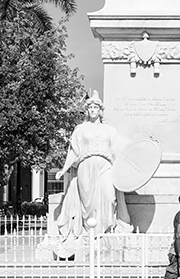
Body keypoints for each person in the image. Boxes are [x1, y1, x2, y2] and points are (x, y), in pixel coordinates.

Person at [55, 91, 131, 243]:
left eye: (96, 107)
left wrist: (146, 144)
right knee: (87, 203)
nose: (93, 110)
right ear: (87, 111)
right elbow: (73, 152)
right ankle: (90, 233)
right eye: (90, 108)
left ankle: (106, 230)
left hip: (105, 166)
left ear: (100, 111)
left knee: (109, 197)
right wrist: (63, 170)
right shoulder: (80, 129)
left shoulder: (109, 130)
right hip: (85, 166)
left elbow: (125, 146)